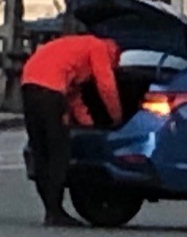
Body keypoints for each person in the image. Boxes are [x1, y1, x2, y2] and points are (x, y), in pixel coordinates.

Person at [21, 15, 122, 226]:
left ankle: (50, 209)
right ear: (114, 52)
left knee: (41, 151)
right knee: (59, 151)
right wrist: (116, 118)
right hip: (51, 91)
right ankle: (55, 212)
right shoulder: (99, 47)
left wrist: (89, 125)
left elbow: (75, 98)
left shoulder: (75, 48)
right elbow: (106, 85)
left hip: (29, 84)